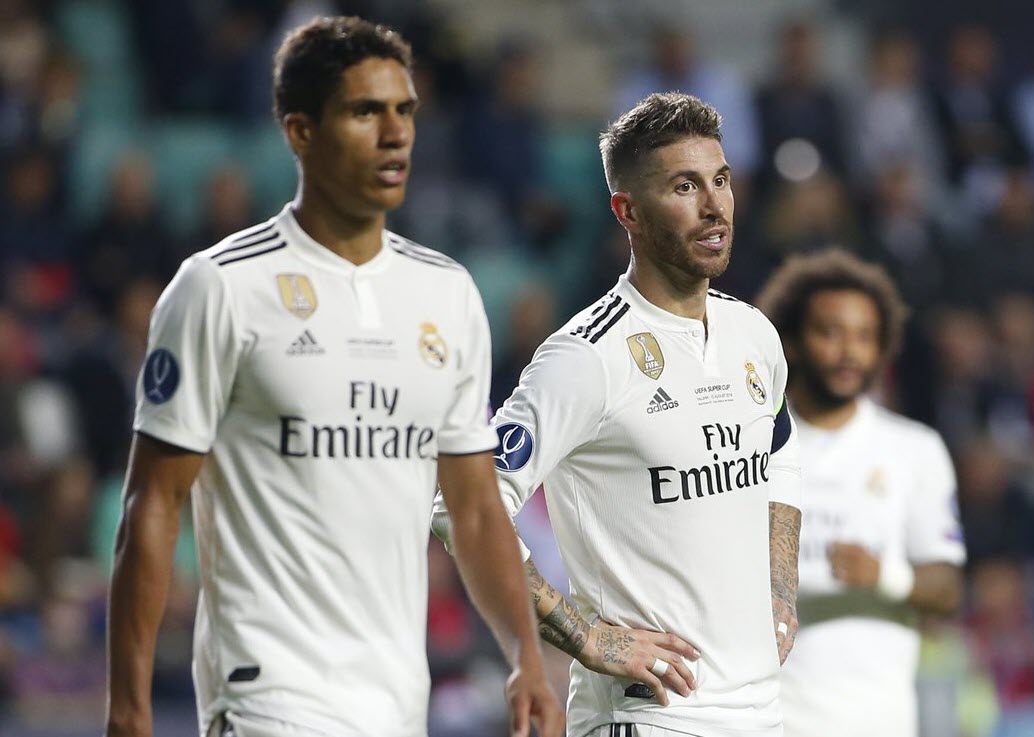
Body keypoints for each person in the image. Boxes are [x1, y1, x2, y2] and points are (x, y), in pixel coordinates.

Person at [104, 16, 562, 737]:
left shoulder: (446, 294)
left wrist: (525, 657)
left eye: (405, 110)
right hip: (265, 696)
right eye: (365, 111)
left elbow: (475, 508)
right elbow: (152, 504)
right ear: (301, 131)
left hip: (396, 699)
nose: (395, 133)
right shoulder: (220, 287)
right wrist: (129, 709)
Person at [433, 92, 803, 737]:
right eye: (684, 186)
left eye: (720, 180)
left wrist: (780, 589)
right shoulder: (587, 357)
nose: (714, 205)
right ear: (626, 211)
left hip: (762, 713)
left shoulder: (754, 335)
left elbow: (780, 455)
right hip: (649, 717)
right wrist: (586, 638)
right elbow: (464, 504)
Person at [756, 249, 966, 737]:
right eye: (830, 333)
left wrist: (884, 576)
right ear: (792, 342)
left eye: (865, 336)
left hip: (878, 720)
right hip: (768, 719)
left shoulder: (915, 449)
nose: (849, 352)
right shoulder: (750, 444)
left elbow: (947, 590)